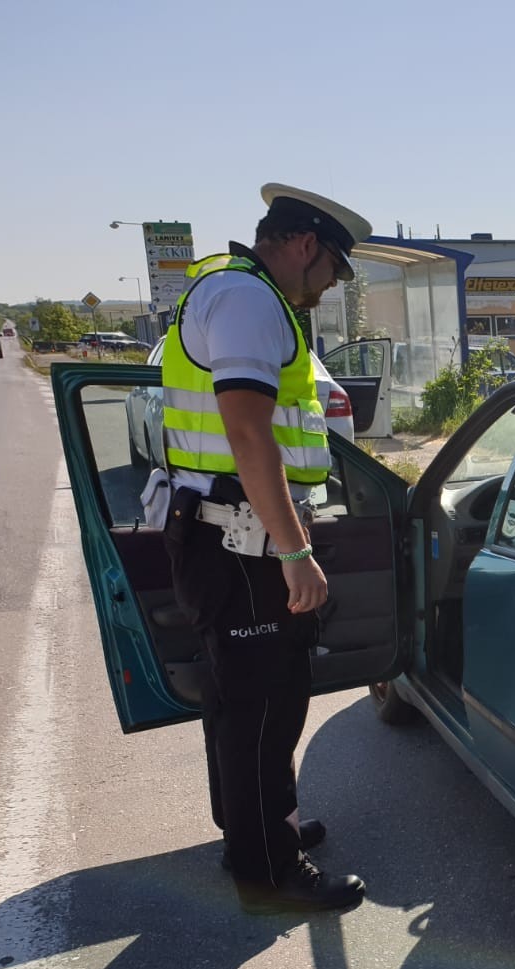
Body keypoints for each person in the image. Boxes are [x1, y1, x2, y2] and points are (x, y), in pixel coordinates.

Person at [160, 183, 371, 914]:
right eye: (332, 273)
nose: (328, 290)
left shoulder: (228, 291)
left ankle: (252, 833)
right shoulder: (248, 301)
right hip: (242, 544)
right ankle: (270, 872)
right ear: (305, 244)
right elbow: (250, 435)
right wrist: (292, 552)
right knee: (264, 708)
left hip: (223, 533)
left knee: (237, 701)